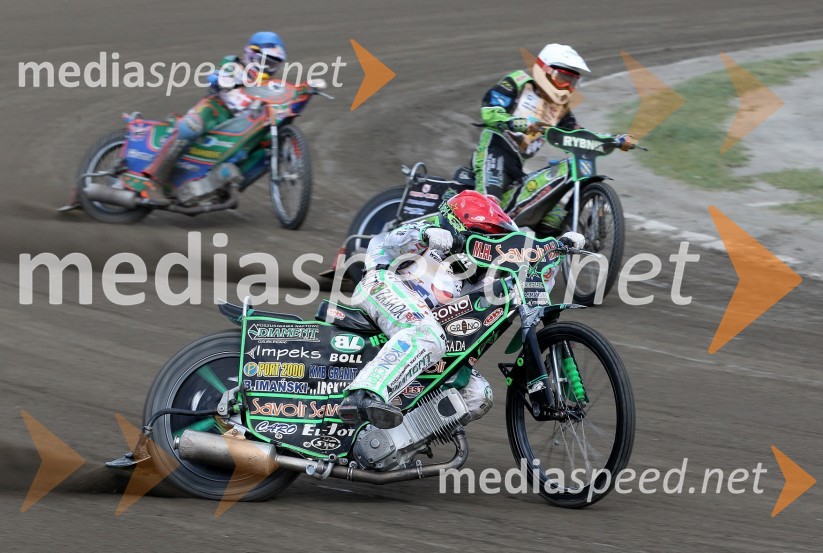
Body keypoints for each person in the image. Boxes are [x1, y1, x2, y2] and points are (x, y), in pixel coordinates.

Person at [339, 190, 585, 429]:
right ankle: (363, 396)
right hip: (381, 284)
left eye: (497, 238)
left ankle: (387, 442)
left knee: (478, 395)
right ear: (456, 226)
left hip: (427, 327)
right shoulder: (431, 235)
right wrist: (425, 234)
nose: (490, 245)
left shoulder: (485, 276)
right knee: (426, 335)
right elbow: (391, 240)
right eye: (484, 235)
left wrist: (556, 251)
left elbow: (536, 284)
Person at [472, 43, 636, 236]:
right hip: (494, 151)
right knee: (488, 206)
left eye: (572, 81)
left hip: (517, 166)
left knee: (554, 216)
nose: (567, 86)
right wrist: (515, 122)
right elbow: (489, 111)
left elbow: (577, 135)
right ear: (545, 71)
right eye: (563, 78)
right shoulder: (518, 82)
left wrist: (613, 140)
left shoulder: (560, 109)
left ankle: (541, 260)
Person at [141, 31, 287, 193]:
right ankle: (155, 173)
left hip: (242, 126)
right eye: (265, 62)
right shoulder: (235, 65)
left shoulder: (269, 85)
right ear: (252, 54)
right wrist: (219, 78)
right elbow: (218, 74)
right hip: (215, 111)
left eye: (273, 65)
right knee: (190, 126)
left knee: (270, 147)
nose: (268, 69)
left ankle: (226, 185)